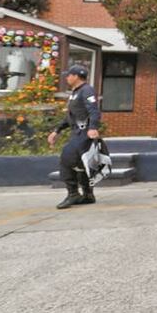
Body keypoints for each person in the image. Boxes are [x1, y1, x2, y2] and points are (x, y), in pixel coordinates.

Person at [49, 64, 101, 209]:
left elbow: (94, 111)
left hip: (84, 133)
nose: (67, 77)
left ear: (76, 76)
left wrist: (93, 128)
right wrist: (56, 131)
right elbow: (70, 117)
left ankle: (73, 194)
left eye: (69, 75)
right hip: (77, 132)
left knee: (66, 160)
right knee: (80, 164)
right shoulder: (75, 92)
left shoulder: (86, 90)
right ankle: (88, 194)